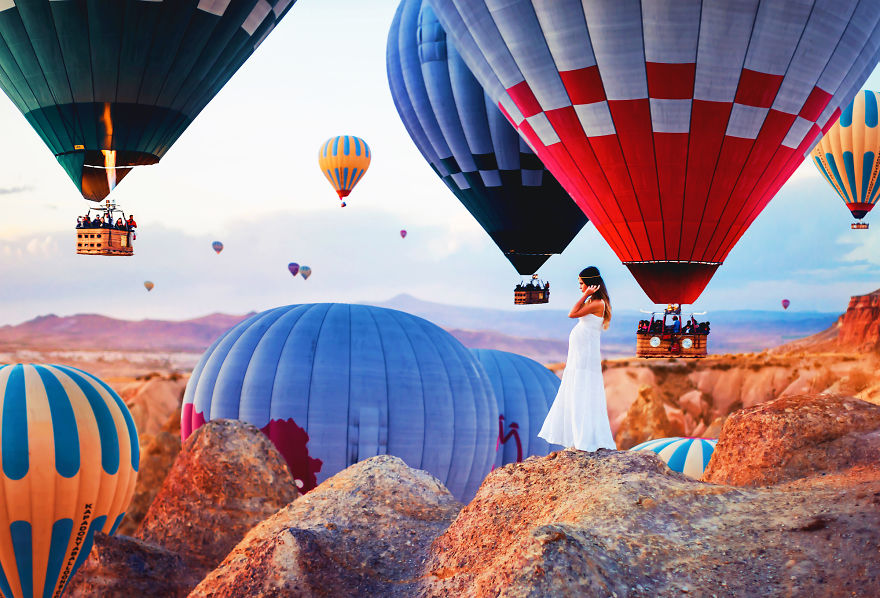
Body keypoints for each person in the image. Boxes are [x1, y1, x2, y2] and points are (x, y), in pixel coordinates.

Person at [538, 266, 616, 451]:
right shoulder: (593, 301)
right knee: (576, 387)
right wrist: (587, 295)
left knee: (582, 388)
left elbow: (572, 313)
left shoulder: (597, 303)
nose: (580, 287)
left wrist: (585, 295)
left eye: (582, 283)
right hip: (581, 351)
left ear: (590, 284)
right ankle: (577, 435)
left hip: (585, 353)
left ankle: (584, 437)